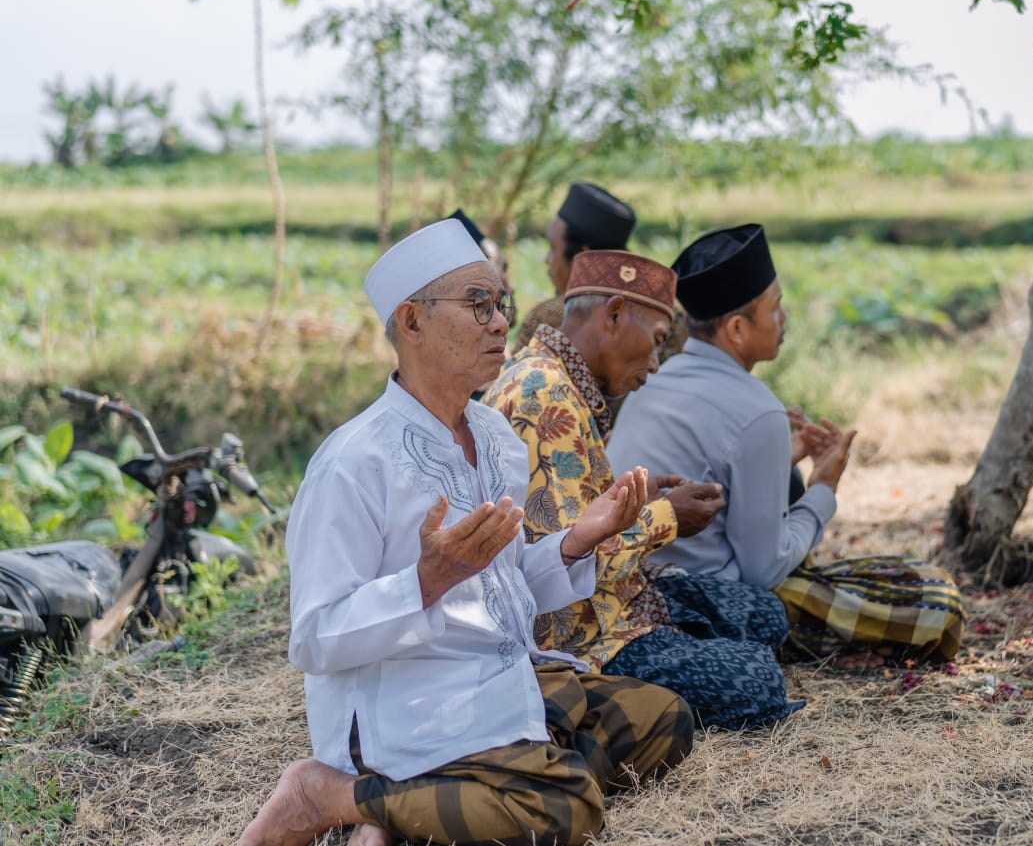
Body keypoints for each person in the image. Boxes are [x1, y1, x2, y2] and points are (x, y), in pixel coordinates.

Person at [238, 219, 692, 846]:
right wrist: (428, 581)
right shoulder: (353, 462)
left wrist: (577, 539)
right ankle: (327, 794)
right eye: (478, 305)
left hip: (502, 676)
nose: (501, 323)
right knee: (566, 811)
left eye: (500, 304)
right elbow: (314, 639)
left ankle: (416, 812)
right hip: (415, 702)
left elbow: (502, 587)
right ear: (413, 322)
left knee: (664, 718)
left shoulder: (495, 437)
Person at [607, 224, 965, 664]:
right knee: (936, 601)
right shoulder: (757, 411)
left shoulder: (655, 380)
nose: (785, 318)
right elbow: (764, 572)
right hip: (709, 602)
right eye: (775, 307)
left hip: (627, 587)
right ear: (737, 329)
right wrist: (822, 490)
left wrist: (779, 459)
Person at [485, 249, 801, 729]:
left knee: (764, 615)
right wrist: (667, 517)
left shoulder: (553, 376)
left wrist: (637, 498)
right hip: (579, 634)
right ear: (614, 315)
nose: (655, 364)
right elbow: (565, 566)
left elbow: (573, 515)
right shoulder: (546, 395)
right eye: (655, 342)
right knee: (755, 679)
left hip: (618, 596)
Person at [514, 183, 637, 349]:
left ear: (581, 257)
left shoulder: (546, 317)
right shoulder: (651, 318)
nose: (547, 259)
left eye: (553, 248)